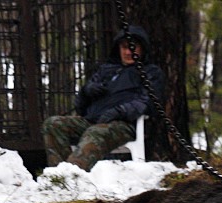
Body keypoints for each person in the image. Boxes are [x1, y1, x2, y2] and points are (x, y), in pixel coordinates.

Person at [42, 25, 165, 172]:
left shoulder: (150, 72)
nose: (128, 52)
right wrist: (86, 91)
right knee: (53, 124)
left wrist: (119, 111)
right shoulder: (105, 70)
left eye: (133, 47)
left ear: (142, 49)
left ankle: (73, 176)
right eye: (124, 47)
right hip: (92, 120)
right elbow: (80, 106)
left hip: (122, 125)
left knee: (96, 132)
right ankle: (58, 175)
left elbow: (147, 102)